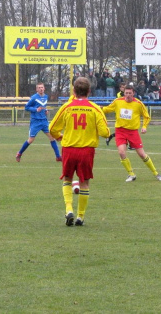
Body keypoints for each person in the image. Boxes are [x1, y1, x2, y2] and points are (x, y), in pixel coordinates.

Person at [49, 77, 110, 226]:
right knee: (84, 183)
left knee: (67, 179)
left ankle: (69, 209)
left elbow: (52, 128)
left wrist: (59, 136)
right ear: (89, 91)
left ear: (74, 91)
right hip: (86, 151)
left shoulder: (67, 107)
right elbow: (104, 132)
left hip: (69, 149)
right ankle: (80, 217)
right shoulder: (95, 108)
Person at [102, 85, 161, 183]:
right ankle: (131, 174)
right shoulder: (118, 101)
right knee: (121, 152)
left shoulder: (138, 104)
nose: (127, 95)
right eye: (126, 93)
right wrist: (98, 109)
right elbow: (107, 109)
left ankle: (156, 173)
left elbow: (146, 116)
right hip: (120, 131)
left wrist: (144, 127)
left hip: (132, 132)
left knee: (141, 154)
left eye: (129, 93)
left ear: (133, 93)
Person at [15, 82, 62, 162]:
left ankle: (58, 157)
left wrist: (46, 110)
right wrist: (35, 110)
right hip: (35, 122)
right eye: (39, 87)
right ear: (37, 89)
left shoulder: (46, 97)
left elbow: (43, 107)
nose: (41, 89)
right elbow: (26, 107)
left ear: (44, 88)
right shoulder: (33, 97)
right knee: (31, 140)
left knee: (52, 138)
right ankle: (19, 153)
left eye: (42, 87)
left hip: (44, 121)